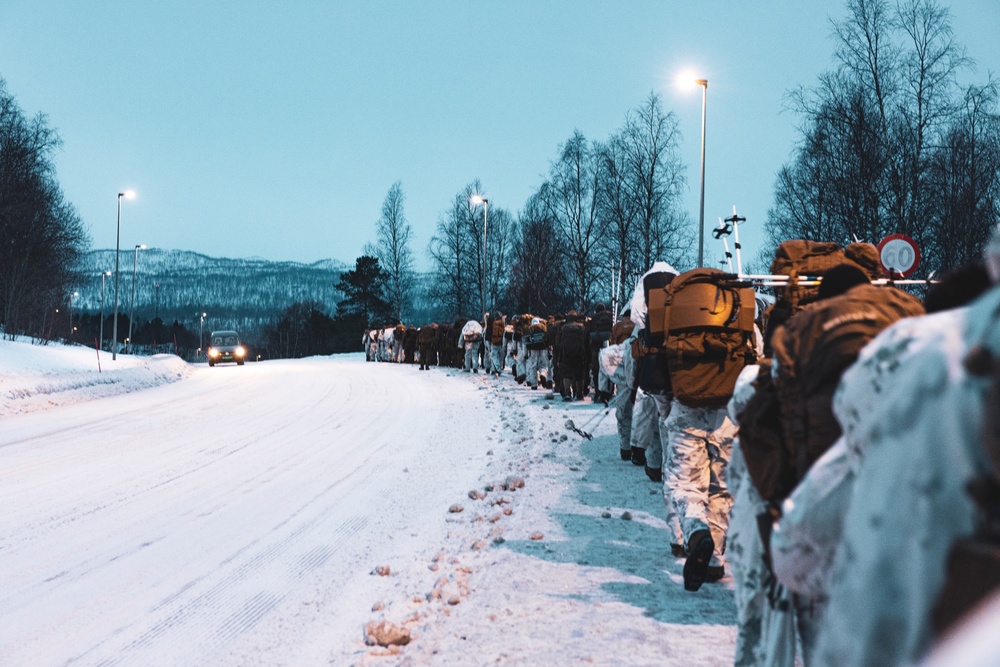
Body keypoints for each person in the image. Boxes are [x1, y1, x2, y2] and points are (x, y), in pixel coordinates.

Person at [557, 310, 589, 401]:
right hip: (579, 352)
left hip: (566, 352)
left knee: (567, 373)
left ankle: (567, 393)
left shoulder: (563, 327)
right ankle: (579, 393)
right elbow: (586, 341)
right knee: (579, 373)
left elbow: (558, 342)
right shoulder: (581, 327)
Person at [588, 302, 615, 402]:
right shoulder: (612, 316)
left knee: (597, 370)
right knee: (611, 368)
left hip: (597, 348)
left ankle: (598, 392)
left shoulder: (594, 318)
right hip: (611, 346)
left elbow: (589, 333)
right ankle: (610, 392)